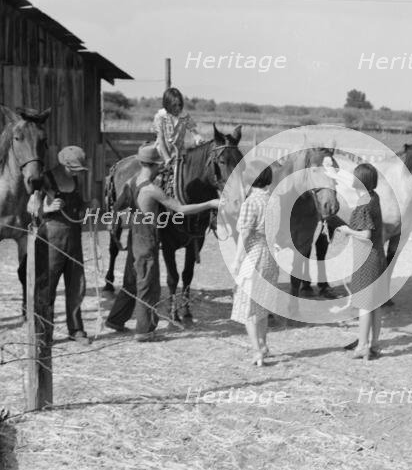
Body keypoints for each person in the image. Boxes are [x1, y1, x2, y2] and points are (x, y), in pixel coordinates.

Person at [105, 145, 221, 341]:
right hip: (147, 239)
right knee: (148, 285)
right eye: (161, 165)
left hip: (134, 235)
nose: (163, 169)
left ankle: (116, 320)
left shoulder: (131, 181)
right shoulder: (152, 190)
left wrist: (117, 220)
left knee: (131, 281)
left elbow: (117, 207)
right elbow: (181, 209)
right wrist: (210, 204)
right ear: (154, 165)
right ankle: (145, 331)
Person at [28, 146, 99, 345]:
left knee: (77, 286)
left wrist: (89, 205)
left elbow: (78, 206)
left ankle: (76, 330)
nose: (77, 173)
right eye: (74, 169)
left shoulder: (75, 180)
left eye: (79, 170)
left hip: (74, 240)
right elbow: (30, 207)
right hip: (51, 241)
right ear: (64, 164)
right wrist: (46, 207)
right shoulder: (44, 179)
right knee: (47, 289)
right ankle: (42, 333)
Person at [230, 161, 280, 367]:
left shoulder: (251, 202)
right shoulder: (273, 200)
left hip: (254, 255)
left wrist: (237, 260)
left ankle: (257, 351)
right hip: (270, 257)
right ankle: (264, 344)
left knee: (248, 309)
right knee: (262, 306)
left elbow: (245, 233)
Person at [336, 163, 387, 361]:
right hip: (376, 255)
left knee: (365, 305)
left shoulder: (364, 203)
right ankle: (374, 343)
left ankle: (362, 345)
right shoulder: (375, 197)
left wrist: (347, 231)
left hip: (366, 259)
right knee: (375, 304)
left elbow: (365, 234)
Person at [152, 87, 203, 165]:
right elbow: (161, 139)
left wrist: (199, 139)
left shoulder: (185, 116)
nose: (178, 108)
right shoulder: (160, 117)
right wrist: (167, 158)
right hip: (161, 153)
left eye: (179, 105)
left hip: (179, 153)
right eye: (174, 105)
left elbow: (194, 132)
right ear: (167, 104)